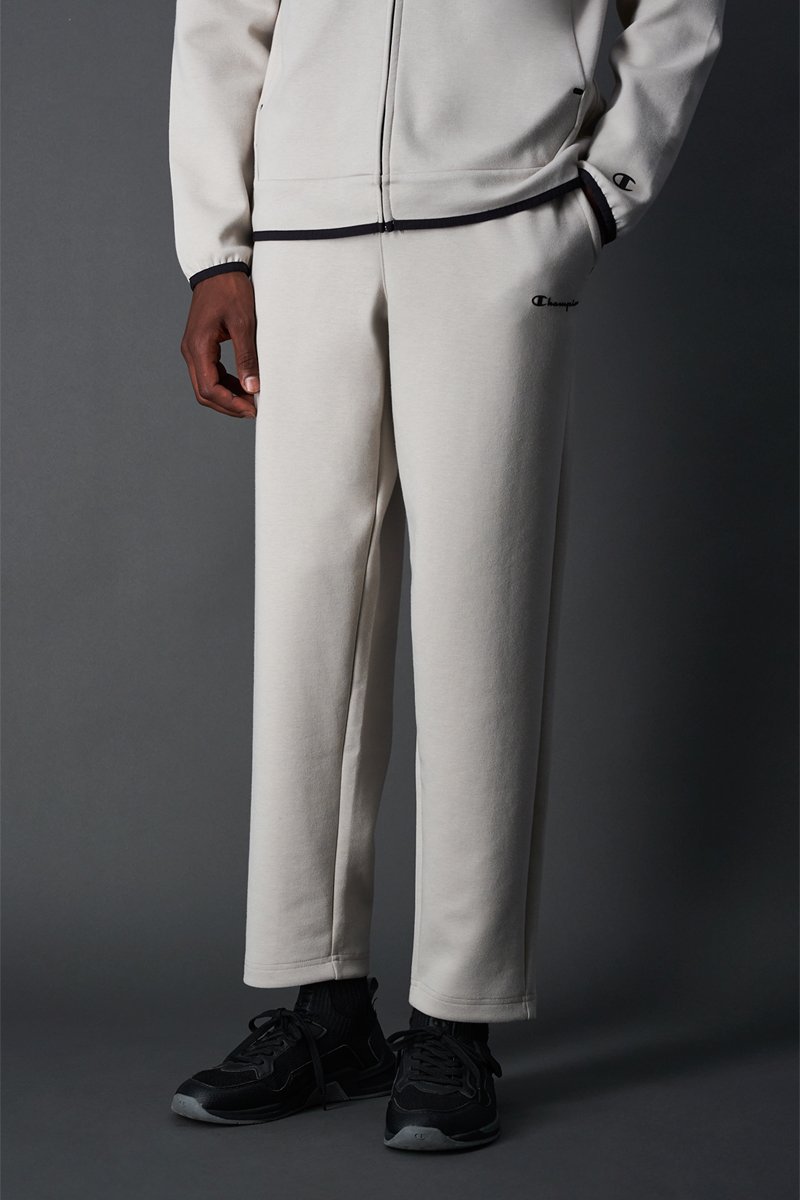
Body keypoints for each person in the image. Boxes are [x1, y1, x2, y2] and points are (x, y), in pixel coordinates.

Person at [167, 0, 725, 1152]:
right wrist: (218, 247)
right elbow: (221, 17)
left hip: (499, 213)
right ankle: (326, 1013)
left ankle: (455, 1019)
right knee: (309, 624)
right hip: (304, 231)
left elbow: (681, 11)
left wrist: (601, 192)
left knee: (481, 618)